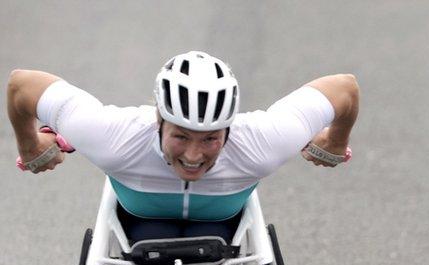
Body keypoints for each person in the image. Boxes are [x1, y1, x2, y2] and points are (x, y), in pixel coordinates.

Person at [8, 50, 358, 242]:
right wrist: (29, 147)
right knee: (151, 240)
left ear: (228, 129)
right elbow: (22, 84)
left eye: (210, 139)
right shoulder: (112, 135)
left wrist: (334, 141)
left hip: (220, 229)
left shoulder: (262, 140)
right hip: (139, 228)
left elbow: (345, 87)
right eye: (180, 136)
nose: (193, 156)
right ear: (158, 121)